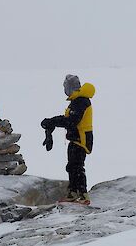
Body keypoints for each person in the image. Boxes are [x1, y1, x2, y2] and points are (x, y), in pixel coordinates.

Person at [41, 75, 95, 205]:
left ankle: (83, 194)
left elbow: (72, 121)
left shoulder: (81, 101)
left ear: (70, 88)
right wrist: (52, 122)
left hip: (81, 139)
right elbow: (68, 117)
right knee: (71, 166)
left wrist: (52, 122)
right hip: (75, 138)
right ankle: (73, 192)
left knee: (77, 166)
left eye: (66, 87)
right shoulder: (76, 101)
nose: (65, 90)